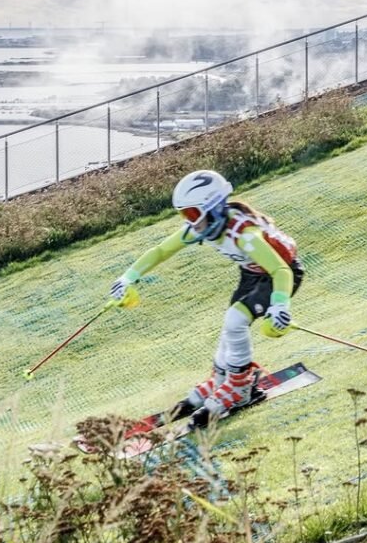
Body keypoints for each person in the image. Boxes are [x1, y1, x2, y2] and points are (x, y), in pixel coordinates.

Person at [109, 169, 304, 430]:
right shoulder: (202, 227)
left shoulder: (244, 234)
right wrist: (127, 278)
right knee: (231, 325)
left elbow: (280, 270)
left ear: (213, 209)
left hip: (282, 273)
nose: (190, 223)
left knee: (235, 319)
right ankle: (223, 379)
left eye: (192, 215)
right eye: (184, 215)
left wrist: (280, 305)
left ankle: (241, 387)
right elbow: (161, 251)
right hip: (252, 272)